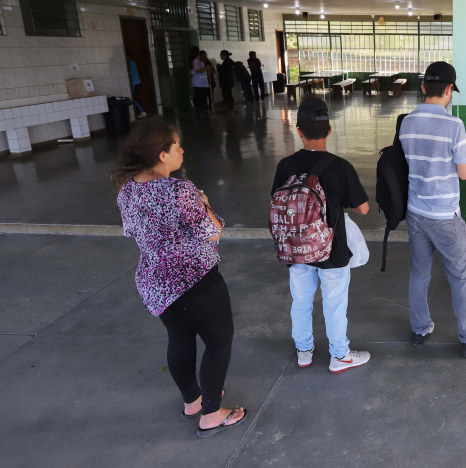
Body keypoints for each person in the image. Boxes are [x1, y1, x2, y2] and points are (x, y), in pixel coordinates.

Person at [112, 118, 246, 438]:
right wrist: (205, 204)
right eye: (176, 145)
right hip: (195, 280)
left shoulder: (128, 190)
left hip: (154, 282)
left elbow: (133, 230)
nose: (181, 150)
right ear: (162, 155)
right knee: (218, 341)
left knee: (179, 339)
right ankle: (212, 413)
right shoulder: (180, 190)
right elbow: (213, 233)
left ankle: (193, 402)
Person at [400, 61, 466, 357]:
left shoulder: (406, 122)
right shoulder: (454, 125)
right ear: (450, 89)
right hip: (445, 217)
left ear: (424, 87)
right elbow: (464, 173)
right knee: (459, 279)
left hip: (415, 211)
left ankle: (420, 328)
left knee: (419, 275)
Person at [271, 97, 373, 373]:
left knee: (301, 302)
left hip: (296, 250)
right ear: (330, 130)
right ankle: (339, 355)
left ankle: (304, 351)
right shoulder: (340, 166)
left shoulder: (285, 166)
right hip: (333, 249)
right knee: (334, 304)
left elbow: (277, 202)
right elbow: (363, 208)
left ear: (299, 131)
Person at [190, 50, 212, 117]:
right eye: (203, 55)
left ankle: (205, 110)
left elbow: (212, 70)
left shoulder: (207, 62)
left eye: (205, 55)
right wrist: (206, 68)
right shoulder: (196, 61)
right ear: (199, 55)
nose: (204, 56)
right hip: (198, 83)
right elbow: (197, 70)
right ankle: (199, 111)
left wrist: (209, 69)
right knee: (198, 97)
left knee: (204, 97)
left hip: (204, 83)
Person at [126, 51, 147, 118]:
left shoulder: (131, 63)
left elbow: (131, 73)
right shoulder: (131, 63)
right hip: (135, 82)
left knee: (134, 98)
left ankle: (143, 111)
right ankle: (142, 111)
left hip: (135, 82)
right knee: (134, 97)